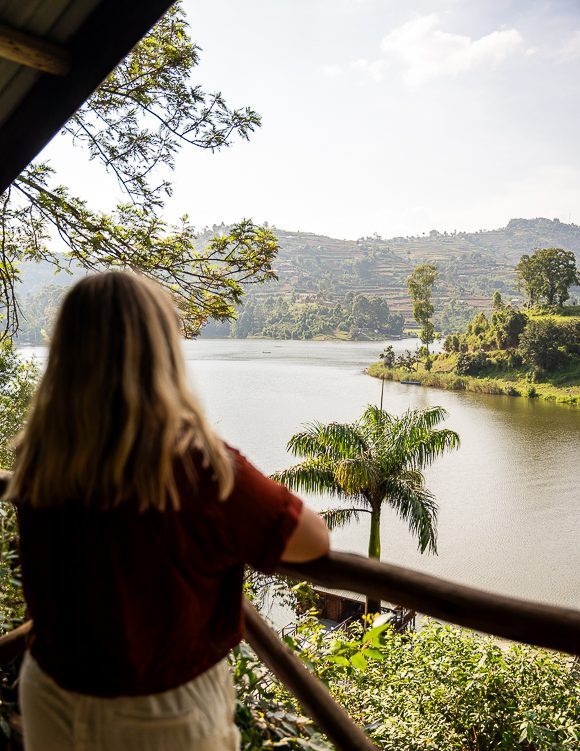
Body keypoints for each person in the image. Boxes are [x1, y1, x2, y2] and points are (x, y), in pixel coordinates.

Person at [7, 271, 329, 751]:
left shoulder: (40, 454)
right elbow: (312, 540)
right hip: (158, 713)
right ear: (160, 351)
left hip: (50, 689)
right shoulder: (190, 463)